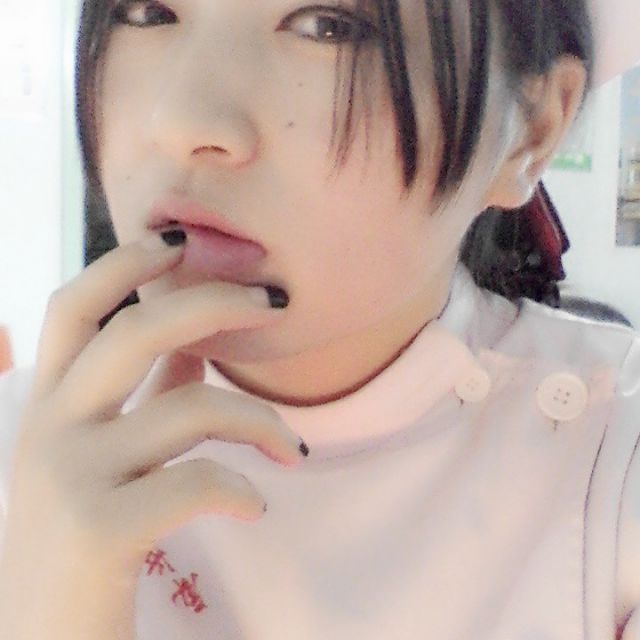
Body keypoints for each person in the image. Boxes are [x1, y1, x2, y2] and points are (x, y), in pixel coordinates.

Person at [0, 1, 639, 639]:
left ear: (531, 131)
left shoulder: (614, 461)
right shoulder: (17, 448)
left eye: (327, 27)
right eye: (147, 13)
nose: (182, 121)